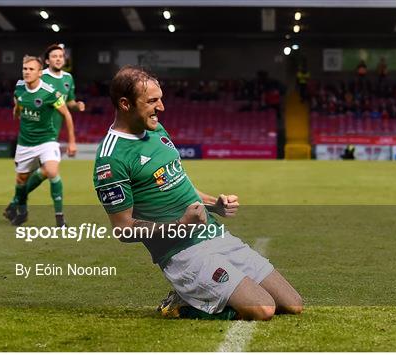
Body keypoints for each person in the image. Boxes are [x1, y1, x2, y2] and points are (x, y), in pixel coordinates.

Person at [93, 66, 303, 321]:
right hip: (182, 252)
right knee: (263, 309)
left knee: (292, 304)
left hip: (214, 233)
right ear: (125, 104)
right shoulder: (111, 159)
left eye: (160, 98)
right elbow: (122, 229)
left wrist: (216, 205)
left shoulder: (156, 130)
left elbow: (181, 183)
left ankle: (207, 293)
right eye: (151, 101)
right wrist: (181, 225)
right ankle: (182, 304)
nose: (161, 107)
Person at [3, 56, 77, 226]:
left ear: (39, 73)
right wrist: (16, 110)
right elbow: (18, 103)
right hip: (25, 143)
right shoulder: (19, 87)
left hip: (47, 140)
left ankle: (60, 218)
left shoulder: (50, 92)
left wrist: (72, 141)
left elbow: (66, 114)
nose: (27, 72)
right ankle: (22, 213)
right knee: (21, 180)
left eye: (31, 69)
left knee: (51, 171)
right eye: (25, 69)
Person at [21, 44, 86, 210]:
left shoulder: (68, 79)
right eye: (55, 56)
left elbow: (68, 102)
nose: (58, 59)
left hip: (53, 134)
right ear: (47, 61)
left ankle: (17, 202)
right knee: (42, 172)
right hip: (38, 133)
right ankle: (18, 202)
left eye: (61, 56)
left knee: (45, 171)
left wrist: (76, 105)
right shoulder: (41, 77)